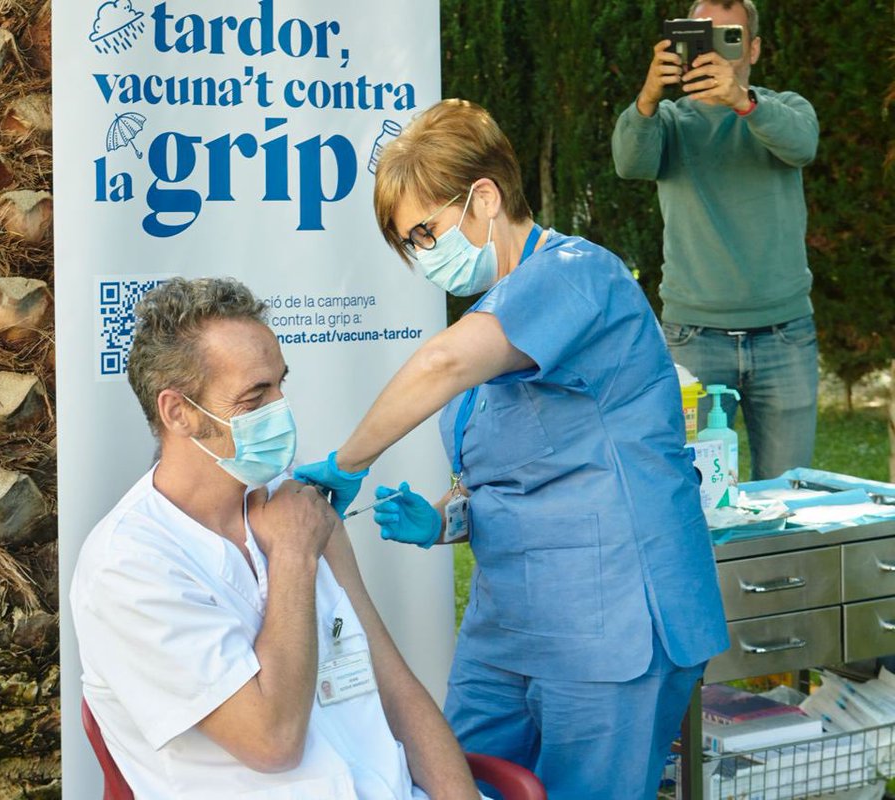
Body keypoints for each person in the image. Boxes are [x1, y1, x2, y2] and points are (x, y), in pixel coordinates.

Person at [294, 99, 730, 800]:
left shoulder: (575, 276)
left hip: (610, 621)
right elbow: (509, 479)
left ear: (485, 198)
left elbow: (440, 367)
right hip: (509, 627)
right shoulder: (495, 315)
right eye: (409, 244)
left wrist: (347, 462)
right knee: (449, 783)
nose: (420, 256)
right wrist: (446, 520)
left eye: (424, 232)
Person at [69, 277, 483, 799]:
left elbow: (396, 689)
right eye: (256, 395)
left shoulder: (297, 509)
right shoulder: (128, 567)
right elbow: (273, 742)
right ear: (179, 413)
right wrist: (292, 554)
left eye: (280, 385)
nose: (281, 409)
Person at [612, 0, 820, 480]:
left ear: (754, 49)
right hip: (694, 338)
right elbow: (629, 163)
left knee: (788, 494)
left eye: (731, 38)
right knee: (695, 495)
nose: (719, 54)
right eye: (704, 39)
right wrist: (647, 96)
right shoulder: (666, 121)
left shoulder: (785, 108)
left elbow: (801, 145)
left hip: (784, 334)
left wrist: (743, 102)